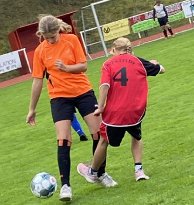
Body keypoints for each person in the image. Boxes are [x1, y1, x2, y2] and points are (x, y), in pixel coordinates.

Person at [26, 15, 115, 201]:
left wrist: (66, 68)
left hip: (83, 92)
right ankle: (65, 186)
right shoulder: (40, 51)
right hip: (59, 97)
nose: (51, 40)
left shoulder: (71, 40)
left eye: (54, 36)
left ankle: (99, 173)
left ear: (59, 29)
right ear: (41, 35)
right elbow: (37, 81)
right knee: (63, 139)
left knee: (100, 133)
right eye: (47, 37)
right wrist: (32, 109)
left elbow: (83, 66)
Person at [77, 37, 165, 185]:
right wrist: (154, 64)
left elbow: (104, 85)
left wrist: (100, 106)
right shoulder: (139, 61)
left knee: (104, 141)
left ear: (114, 49)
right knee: (136, 137)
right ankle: (139, 171)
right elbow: (162, 70)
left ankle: (92, 173)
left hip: (115, 112)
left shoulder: (108, 64)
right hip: (135, 111)